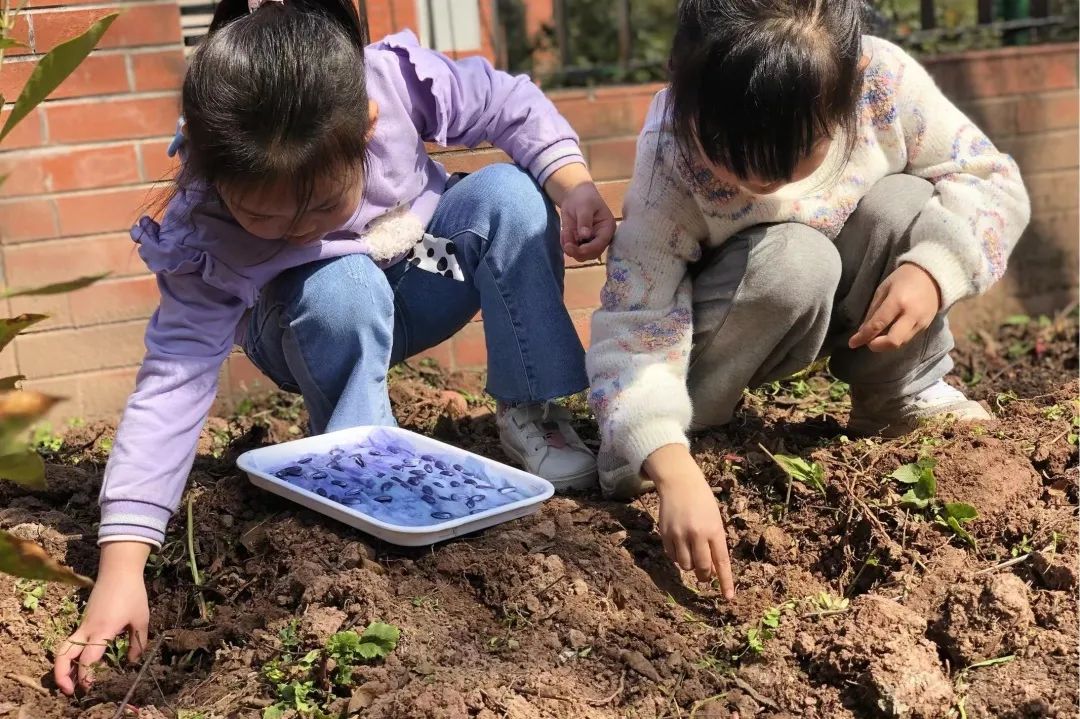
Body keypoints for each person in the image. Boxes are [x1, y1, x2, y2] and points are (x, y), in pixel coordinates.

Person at [54, 0, 615, 694]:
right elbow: (172, 382)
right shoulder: (213, 227)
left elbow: (506, 101)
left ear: (364, 129)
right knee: (340, 281)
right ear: (212, 166)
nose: (291, 227)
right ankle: (360, 461)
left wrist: (573, 184)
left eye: (319, 205)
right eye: (263, 214)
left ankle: (532, 408)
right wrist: (120, 569)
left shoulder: (390, 88)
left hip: (424, 262)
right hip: (301, 314)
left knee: (507, 195)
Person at [586, 0, 1030, 596]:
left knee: (902, 203)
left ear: (844, 101)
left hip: (841, 294)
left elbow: (988, 178)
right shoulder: (673, 149)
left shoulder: (883, 83)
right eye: (731, 151)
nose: (763, 180)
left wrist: (935, 269)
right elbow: (637, 313)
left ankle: (899, 391)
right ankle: (691, 431)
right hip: (727, 326)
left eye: (795, 152)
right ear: (687, 92)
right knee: (796, 258)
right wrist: (666, 461)